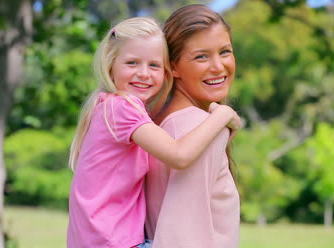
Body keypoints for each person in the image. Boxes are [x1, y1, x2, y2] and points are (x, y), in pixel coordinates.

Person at [66, 16, 241, 248]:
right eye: (132, 63)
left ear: (166, 70)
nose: (144, 73)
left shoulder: (118, 109)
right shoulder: (121, 107)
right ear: (110, 65)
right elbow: (180, 156)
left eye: (154, 65)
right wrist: (222, 115)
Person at [145, 4, 241, 248]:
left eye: (225, 52)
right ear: (173, 66)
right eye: (201, 56)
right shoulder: (198, 130)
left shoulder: (158, 123)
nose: (218, 66)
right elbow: (181, 236)